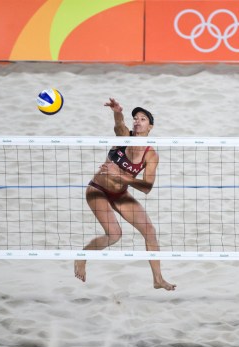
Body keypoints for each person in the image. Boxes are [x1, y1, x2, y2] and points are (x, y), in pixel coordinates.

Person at [74, 98, 176, 291]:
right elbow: (119, 123)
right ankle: (82, 256)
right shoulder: (123, 136)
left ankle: (158, 279)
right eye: (135, 118)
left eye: (143, 119)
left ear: (150, 126)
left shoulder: (151, 155)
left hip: (120, 193)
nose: (137, 121)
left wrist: (121, 176)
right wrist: (117, 111)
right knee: (114, 235)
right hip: (98, 189)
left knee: (150, 231)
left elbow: (147, 187)